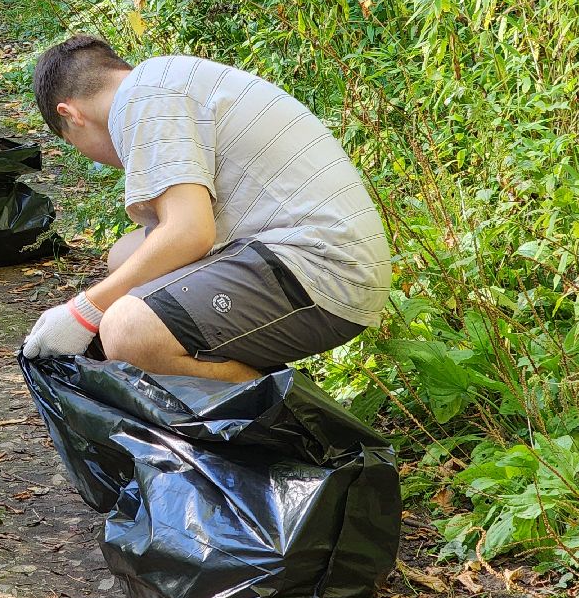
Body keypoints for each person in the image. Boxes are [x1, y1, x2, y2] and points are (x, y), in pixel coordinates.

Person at [22, 35, 390, 381]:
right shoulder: (158, 82)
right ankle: (245, 385)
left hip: (324, 268)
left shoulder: (142, 100)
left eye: (73, 142)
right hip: (313, 256)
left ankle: (299, 419)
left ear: (71, 114)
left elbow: (190, 233)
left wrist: (83, 312)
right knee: (125, 255)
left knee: (128, 330)